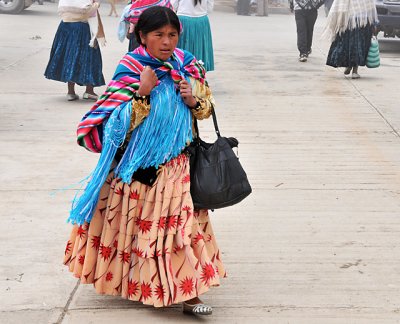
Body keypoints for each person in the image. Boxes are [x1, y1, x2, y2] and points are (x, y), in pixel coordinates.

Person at [63, 6, 226, 316]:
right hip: (138, 168)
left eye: (172, 35)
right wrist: (142, 92)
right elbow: (112, 126)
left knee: (179, 229)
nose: (167, 42)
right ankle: (146, 284)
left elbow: (205, 111)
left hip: (178, 164)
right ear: (142, 36)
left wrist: (193, 100)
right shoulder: (131, 68)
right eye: (158, 35)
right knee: (141, 230)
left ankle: (189, 295)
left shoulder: (188, 66)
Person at [44, 0, 106, 101]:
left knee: (70, 57)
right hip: (82, 28)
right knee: (89, 58)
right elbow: (88, 11)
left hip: (66, 27)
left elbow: (62, 9)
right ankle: (89, 91)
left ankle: (71, 92)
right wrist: (96, 4)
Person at [324, 0, 378, 79]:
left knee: (349, 44)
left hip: (348, 20)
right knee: (358, 45)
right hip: (362, 20)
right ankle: (354, 71)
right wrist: (374, 23)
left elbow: (339, 5)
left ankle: (349, 66)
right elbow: (370, 6)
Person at [171, 0, 215, 71]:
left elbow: (174, 4)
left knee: (182, 47)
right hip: (201, 20)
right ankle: (199, 69)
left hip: (183, 19)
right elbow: (210, 7)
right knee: (200, 46)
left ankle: (182, 68)